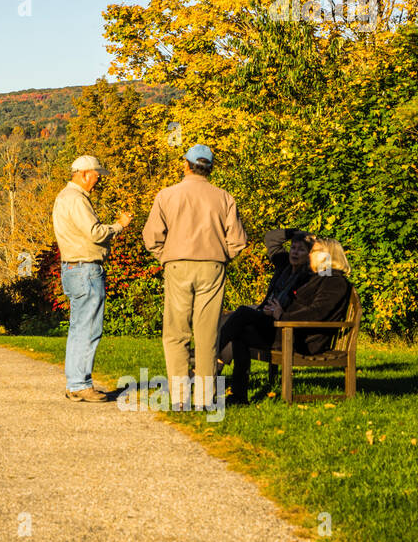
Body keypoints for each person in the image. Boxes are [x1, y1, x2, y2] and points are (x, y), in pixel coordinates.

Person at [142, 144, 248, 410]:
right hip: (212, 266)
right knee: (208, 333)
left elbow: (151, 237)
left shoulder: (167, 195)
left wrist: (166, 256)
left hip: (177, 265)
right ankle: (203, 398)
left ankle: (179, 397)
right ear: (210, 168)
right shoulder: (224, 197)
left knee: (176, 332)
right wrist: (221, 256)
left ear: (185, 164)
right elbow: (238, 241)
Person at [219, 237, 353, 404]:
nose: (310, 255)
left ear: (328, 256)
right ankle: (238, 396)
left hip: (304, 339)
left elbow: (316, 313)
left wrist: (282, 315)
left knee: (243, 313)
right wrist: (275, 311)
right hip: (288, 330)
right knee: (241, 332)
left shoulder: (334, 281)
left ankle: (211, 353)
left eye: (314, 251)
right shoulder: (318, 276)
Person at [52, 155, 133, 402]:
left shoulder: (64, 197)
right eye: (97, 176)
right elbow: (95, 233)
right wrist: (119, 225)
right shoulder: (77, 199)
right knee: (89, 328)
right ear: (84, 173)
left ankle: (75, 383)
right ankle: (80, 384)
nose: (98, 181)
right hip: (86, 269)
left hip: (73, 268)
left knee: (79, 328)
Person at [216, 228, 313, 374]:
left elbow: (300, 307)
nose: (295, 252)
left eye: (301, 249)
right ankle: (215, 366)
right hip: (264, 315)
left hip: (279, 324)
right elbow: (271, 238)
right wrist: (297, 233)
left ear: (309, 255)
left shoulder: (308, 276)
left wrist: (277, 311)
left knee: (241, 314)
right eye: (293, 248)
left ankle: (208, 358)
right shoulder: (284, 264)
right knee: (227, 319)